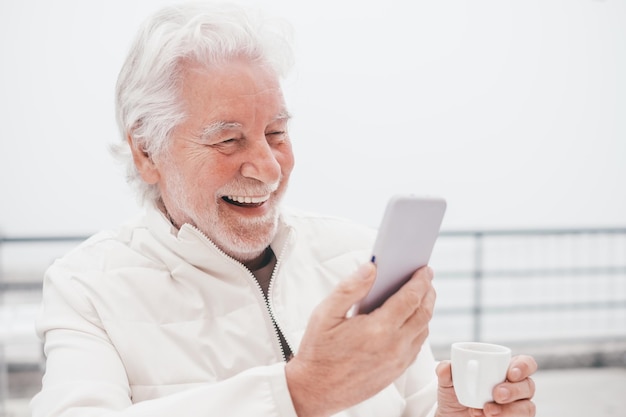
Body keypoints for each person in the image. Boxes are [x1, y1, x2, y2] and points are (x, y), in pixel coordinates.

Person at [30, 3, 537, 417]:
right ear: (146, 152)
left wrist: (452, 412)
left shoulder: (355, 256)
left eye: (276, 133)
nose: (269, 169)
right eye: (229, 140)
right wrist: (299, 393)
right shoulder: (86, 288)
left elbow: (417, 406)